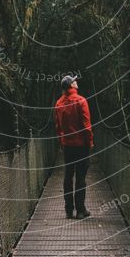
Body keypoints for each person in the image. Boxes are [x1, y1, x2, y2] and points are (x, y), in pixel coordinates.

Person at [54, 74, 94, 219]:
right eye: (74, 81)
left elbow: (58, 127)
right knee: (81, 177)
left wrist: (61, 142)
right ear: (71, 86)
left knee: (68, 176)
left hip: (67, 146)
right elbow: (86, 126)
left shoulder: (58, 104)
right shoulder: (81, 101)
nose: (76, 82)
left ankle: (68, 210)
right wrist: (89, 142)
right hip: (81, 146)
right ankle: (81, 210)